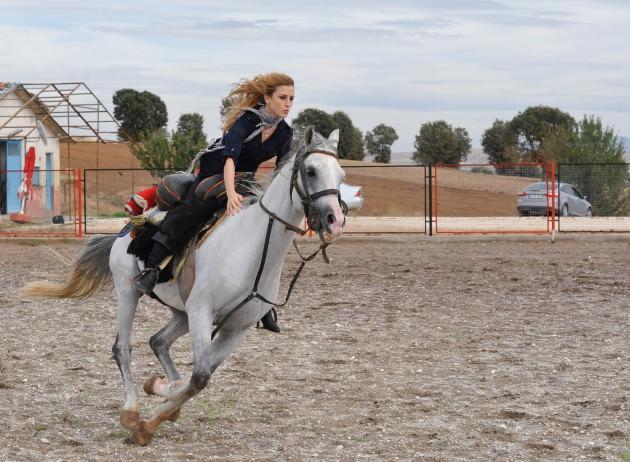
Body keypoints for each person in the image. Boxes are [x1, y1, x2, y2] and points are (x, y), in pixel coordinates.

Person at [133, 72, 295, 333]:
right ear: (267, 98)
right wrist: (231, 194)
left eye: (291, 99)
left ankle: (263, 303)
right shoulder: (247, 121)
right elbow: (229, 159)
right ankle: (152, 268)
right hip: (215, 174)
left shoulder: (286, 132)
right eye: (283, 97)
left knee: (265, 229)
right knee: (193, 211)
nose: (288, 103)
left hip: (246, 181)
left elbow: (281, 171)